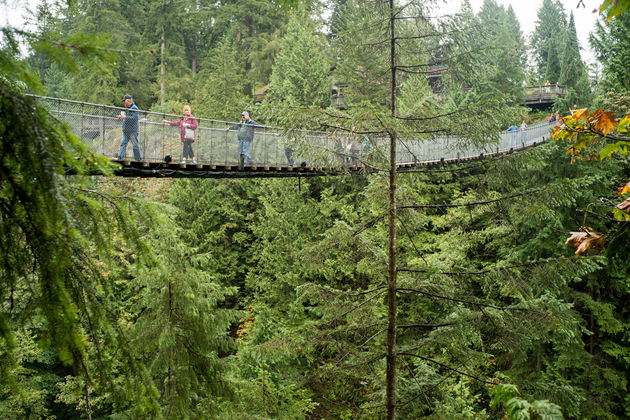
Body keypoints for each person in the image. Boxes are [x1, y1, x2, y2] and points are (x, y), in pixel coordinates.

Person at [116, 94, 142, 161]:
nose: (123, 103)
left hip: (132, 131)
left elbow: (135, 118)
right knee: (123, 144)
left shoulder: (134, 108)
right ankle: (120, 158)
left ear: (128, 101)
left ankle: (138, 159)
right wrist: (121, 117)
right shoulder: (127, 108)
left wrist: (125, 117)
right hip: (126, 130)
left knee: (135, 145)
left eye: (124, 101)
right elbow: (127, 118)